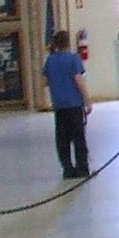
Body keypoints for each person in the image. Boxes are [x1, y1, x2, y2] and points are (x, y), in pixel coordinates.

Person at [43, 30, 91, 179]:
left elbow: (44, 82)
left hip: (59, 105)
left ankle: (68, 169)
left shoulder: (50, 61)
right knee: (78, 138)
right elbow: (78, 79)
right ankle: (82, 168)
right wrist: (87, 100)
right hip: (74, 104)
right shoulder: (73, 59)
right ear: (68, 43)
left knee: (62, 139)